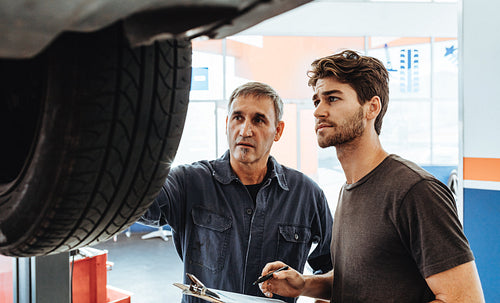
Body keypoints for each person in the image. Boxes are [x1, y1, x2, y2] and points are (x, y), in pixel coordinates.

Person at [259, 50, 485, 303]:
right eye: (316, 101)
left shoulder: (415, 190)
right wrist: (304, 284)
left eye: (332, 99)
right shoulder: (349, 189)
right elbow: (361, 279)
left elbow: (465, 299)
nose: (318, 111)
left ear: (372, 108)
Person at [139, 81, 333, 303]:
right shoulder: (188, 182)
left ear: (277, 131)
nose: (245, 130)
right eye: (238, 117)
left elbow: (333, 271)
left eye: (258, 120)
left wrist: (312, 290)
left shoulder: (306, 195)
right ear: (227, 123)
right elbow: (140, 207)